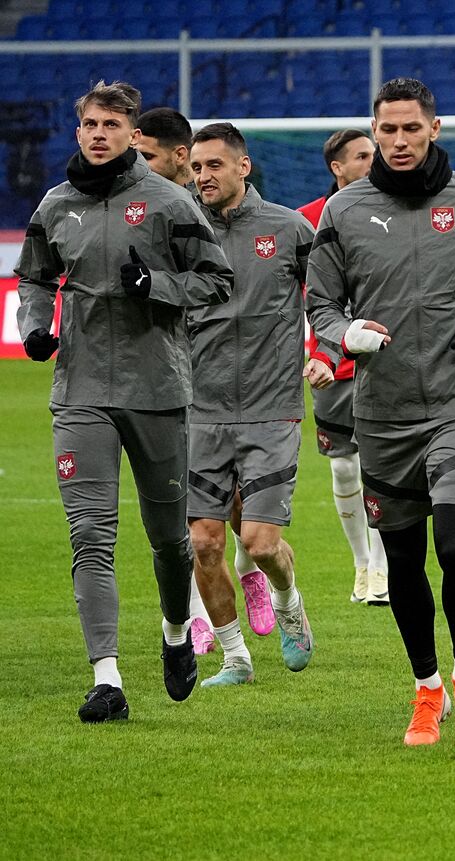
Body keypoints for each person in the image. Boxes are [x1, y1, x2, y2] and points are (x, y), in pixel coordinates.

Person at [307, 78, 455, 747]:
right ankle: (426, 687)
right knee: (403, 562)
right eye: (387, 130)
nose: (399, 141)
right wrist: (343, 334)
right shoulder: (342, 212)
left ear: (435, 128)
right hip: (379, 410)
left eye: (411, 128)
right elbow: (320, 301)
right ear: (373, 132)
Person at [15, 81, 234, 722]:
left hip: (157, 391)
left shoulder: (169, 202)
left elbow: (216, 282)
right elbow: (33, 277)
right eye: (90, 123)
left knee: (170, 540)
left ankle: (173, 635)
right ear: (77, 130)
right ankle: (107, 679)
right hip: (80, 392)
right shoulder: (55, 206)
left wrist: (157, 285)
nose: (100, 133)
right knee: (89, 535)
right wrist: (34, 322)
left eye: (112, 123)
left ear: (132, 132)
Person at [134, 106, 272, 656]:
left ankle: (256, 572)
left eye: (145, 156)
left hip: (249, 389)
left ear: (179, 157)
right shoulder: (151, 217)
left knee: (242, 515)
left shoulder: (230, 219)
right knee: (189, 520)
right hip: (179, 385)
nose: (136, 164)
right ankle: (197, 617)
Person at [186, 122, 317, 686]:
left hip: (271, 407)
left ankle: (289, 606)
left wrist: (330, 350)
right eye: (195, 167)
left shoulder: (288, 229)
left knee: (260, 544)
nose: (203, 176)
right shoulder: (180, 231)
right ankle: (235, 658)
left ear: (244, 166)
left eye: (214, 165)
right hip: (199, 409)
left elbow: (333, 294)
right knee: (203, 542)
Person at [298, 129, 390, 606]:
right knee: (343, 470)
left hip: (383, 359)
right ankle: (360, 560)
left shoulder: (391, 209)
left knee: (382, 465)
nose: (372, 161)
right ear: (337, 167)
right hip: (331, 364)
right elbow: (289, 301)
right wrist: (311, 354)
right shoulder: (305, 222)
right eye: (362, 156)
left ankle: (381, 567)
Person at [134, 107, 195, 188]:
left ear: (179, 155)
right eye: (135, 157)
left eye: (147, 157)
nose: (137, 164)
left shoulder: (210, 198)